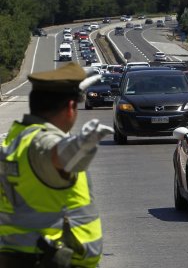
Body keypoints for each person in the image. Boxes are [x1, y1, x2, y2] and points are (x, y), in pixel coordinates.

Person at [0, 62, 113, 268]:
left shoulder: (15, 139)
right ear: (71, 108)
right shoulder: (40, 141)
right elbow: (57, 153)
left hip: (16, 257)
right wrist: (82, 145)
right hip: (53, 260)